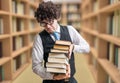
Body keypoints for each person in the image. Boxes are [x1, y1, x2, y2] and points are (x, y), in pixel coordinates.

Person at [32, 1, 90, 83]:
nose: (48, 26)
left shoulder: (70, 30)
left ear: (57, 17)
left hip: (70, 80)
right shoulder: (39, 38)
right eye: (43, 23)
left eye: (50, 21)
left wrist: (74, 47)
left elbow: (86, 48)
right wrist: (53, 76)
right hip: (50, 80)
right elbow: (36, 66)